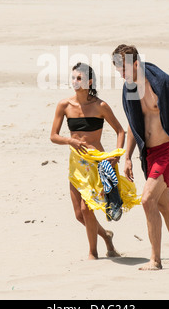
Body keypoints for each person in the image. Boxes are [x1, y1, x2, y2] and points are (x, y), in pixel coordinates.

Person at [50, 62, 141, 260]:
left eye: (79, 78)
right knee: (78, 214)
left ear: (89, 81)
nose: (75, 81)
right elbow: (53, 136)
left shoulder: (100, 106)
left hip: (97, 163)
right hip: (76, 164)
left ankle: (93, 252)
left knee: (86, 207)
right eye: (73, 78)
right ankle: (106, 236)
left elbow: (120, 130)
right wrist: (70, 140)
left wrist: (116, 157)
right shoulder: (64, 105)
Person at [112, 44, 169, 270]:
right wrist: (127, 156)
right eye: (118, 71)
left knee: (147, 200)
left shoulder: (160, 82)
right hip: (149, 154)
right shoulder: (130, 88)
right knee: (165, 206)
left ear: (136, 64)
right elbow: (133, 123)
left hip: (167, 151)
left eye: (124, 70)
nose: (121, 75)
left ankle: (155, 260)